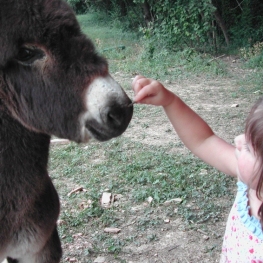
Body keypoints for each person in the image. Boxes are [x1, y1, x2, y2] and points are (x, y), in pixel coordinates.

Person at [132, 75, 263, 262]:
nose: (238, 141)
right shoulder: (250, 181)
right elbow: (203, 140)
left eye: (249, 148)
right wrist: (169, 101)